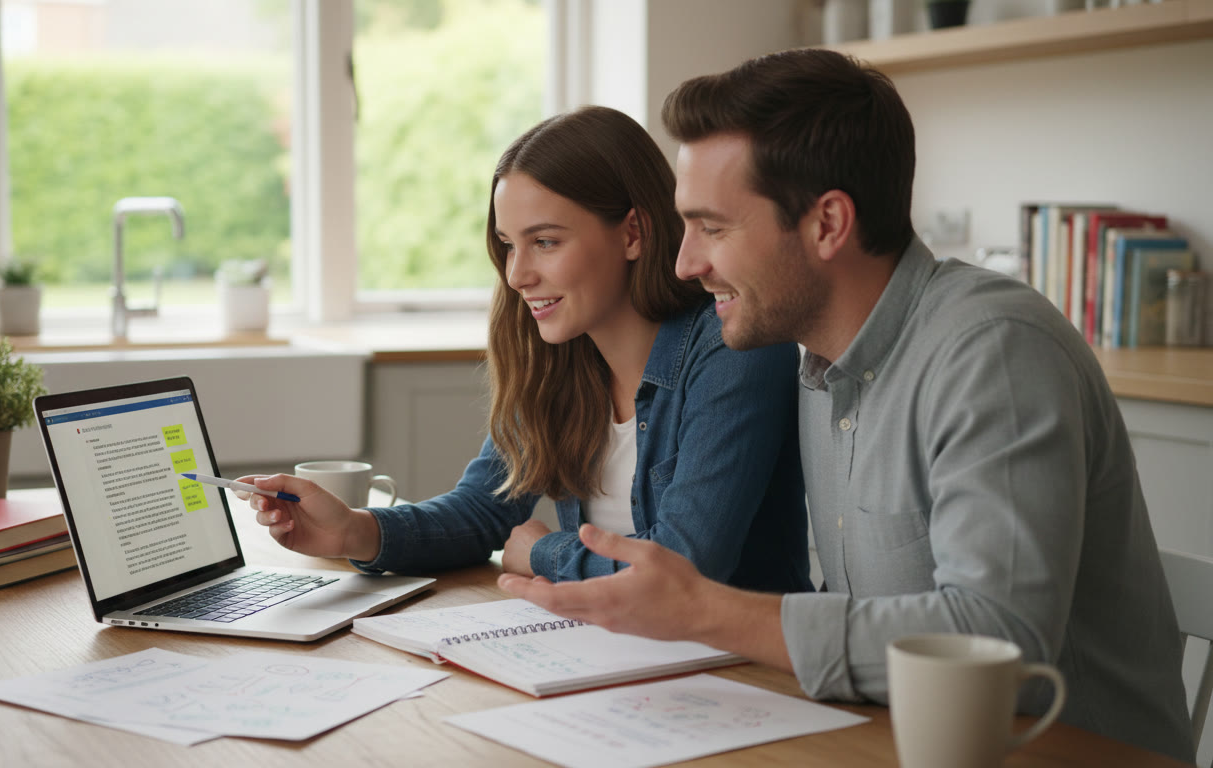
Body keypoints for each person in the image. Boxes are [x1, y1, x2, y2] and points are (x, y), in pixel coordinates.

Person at [499, 50, 1194, 761]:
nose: (684, 263)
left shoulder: (994, 351)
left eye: (712, 227)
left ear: (828, 223)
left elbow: (997, 642)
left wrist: (708, 611)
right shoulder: (818, 368)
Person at [244, 105, 812, 594]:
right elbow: (483, 508)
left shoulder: (733, 348)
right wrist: (353, 529)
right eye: (507, 246)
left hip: (742, 675)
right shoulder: (558, 357)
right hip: (614, 653)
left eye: (545, 242)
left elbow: (682, 565)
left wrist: (545, 553)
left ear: (633, 233)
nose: (518, 274)